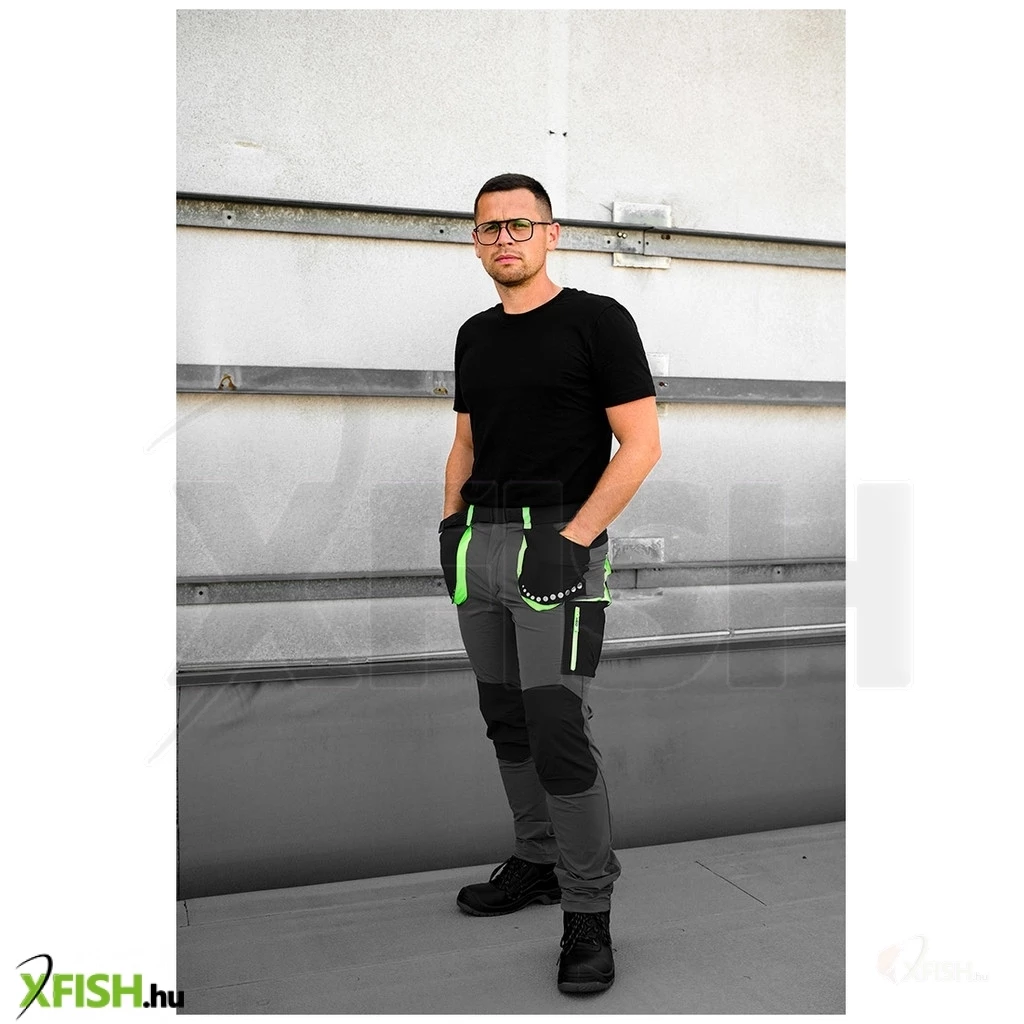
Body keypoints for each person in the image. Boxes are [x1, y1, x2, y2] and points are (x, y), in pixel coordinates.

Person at [439, 172, 661, 995]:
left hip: (557, 548)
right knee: (505, 720)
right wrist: (451, 530)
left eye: (519, 225)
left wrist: (573, 541)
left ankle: (588, 913)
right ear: (476, 241)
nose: (505, 239)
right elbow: (466, 443)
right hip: (481, 546)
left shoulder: (597, 321)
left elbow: (642, 444)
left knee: (558, 729)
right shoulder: (474, 334)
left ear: (551, 233)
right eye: (489, 228)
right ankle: (536, 860)